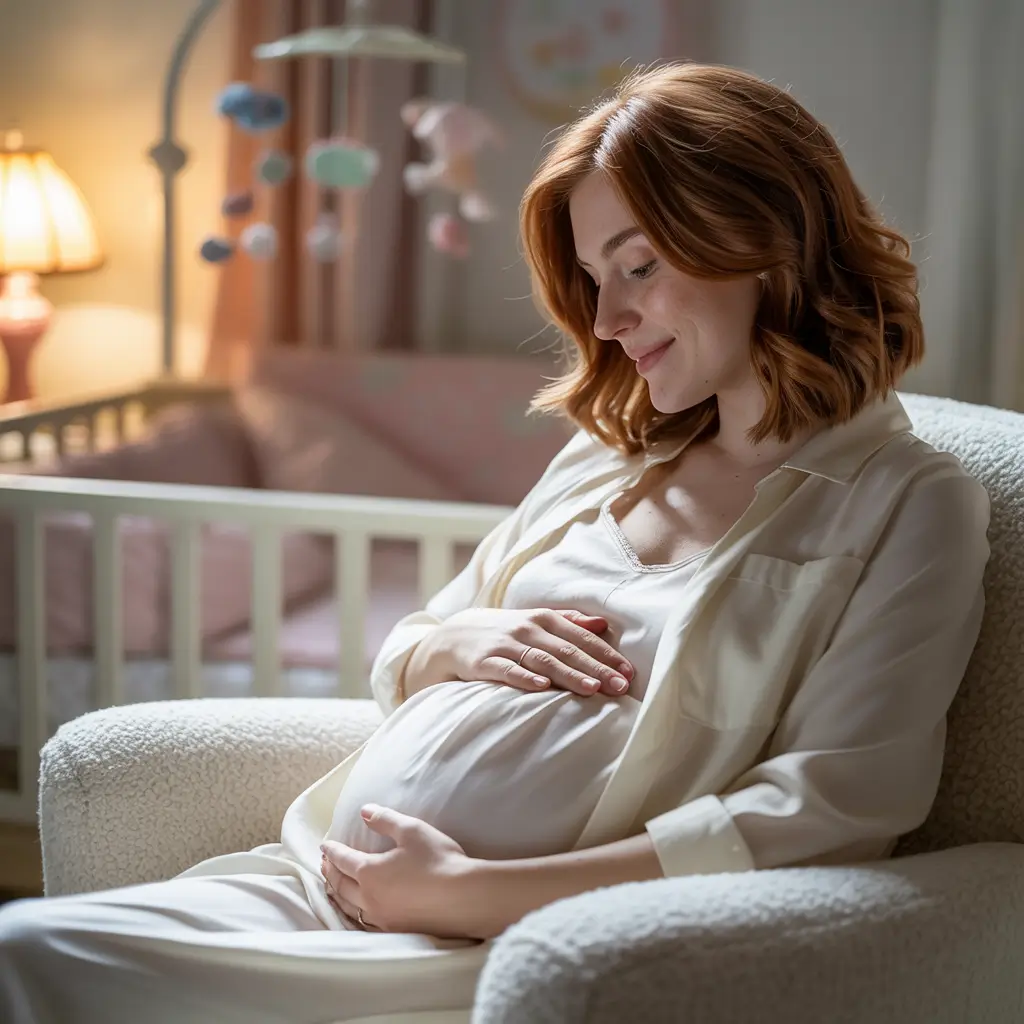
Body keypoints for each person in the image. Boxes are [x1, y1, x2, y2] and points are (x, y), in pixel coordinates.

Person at [0, 61, 989, 1023]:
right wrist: (455, 644)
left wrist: (470, 895)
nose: (605, 320)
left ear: (768, 238)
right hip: (320, 887)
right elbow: (406, 648)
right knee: (22, 947)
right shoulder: (603, 461)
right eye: (594, 279)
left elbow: (829, 810)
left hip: (497, 948)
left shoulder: (904, 504)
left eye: (637, 265)